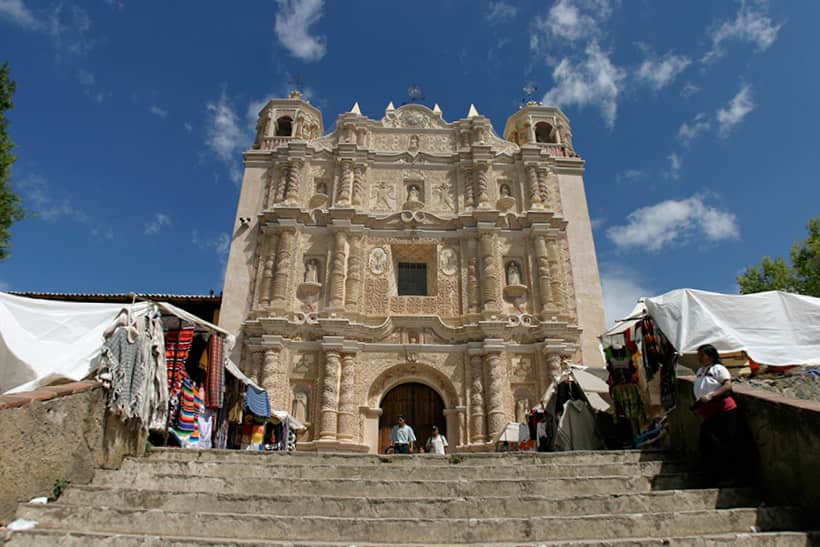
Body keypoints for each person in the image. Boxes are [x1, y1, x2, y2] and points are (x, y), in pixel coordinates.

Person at [692, 343, 738, 486]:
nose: (699, 358)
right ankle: (713, 476)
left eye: (702, 355)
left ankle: (727, 477)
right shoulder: (700, 370)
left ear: (710, 356)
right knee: (707, 444)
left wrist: (711, 396)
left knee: (722, 443)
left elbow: (727, 385)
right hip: (708, 412)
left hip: (722, 411)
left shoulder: (718, 369)